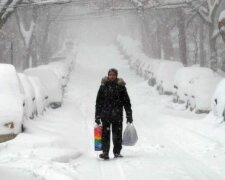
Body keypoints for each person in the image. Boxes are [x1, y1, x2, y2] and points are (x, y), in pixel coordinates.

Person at [95, 68, 133, 160]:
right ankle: (105, 153)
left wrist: (129, 116)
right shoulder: (103, 86)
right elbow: (98, 102)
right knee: (105, 136)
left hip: (117, 116)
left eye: (113, 75)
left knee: (117, 135)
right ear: (108, 76)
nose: (112, 76)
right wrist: (97, 116)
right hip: (105, 115)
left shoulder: (121, 87)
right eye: (110, 75)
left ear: (116, 76)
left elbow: (127, 103)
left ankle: (117, 152)